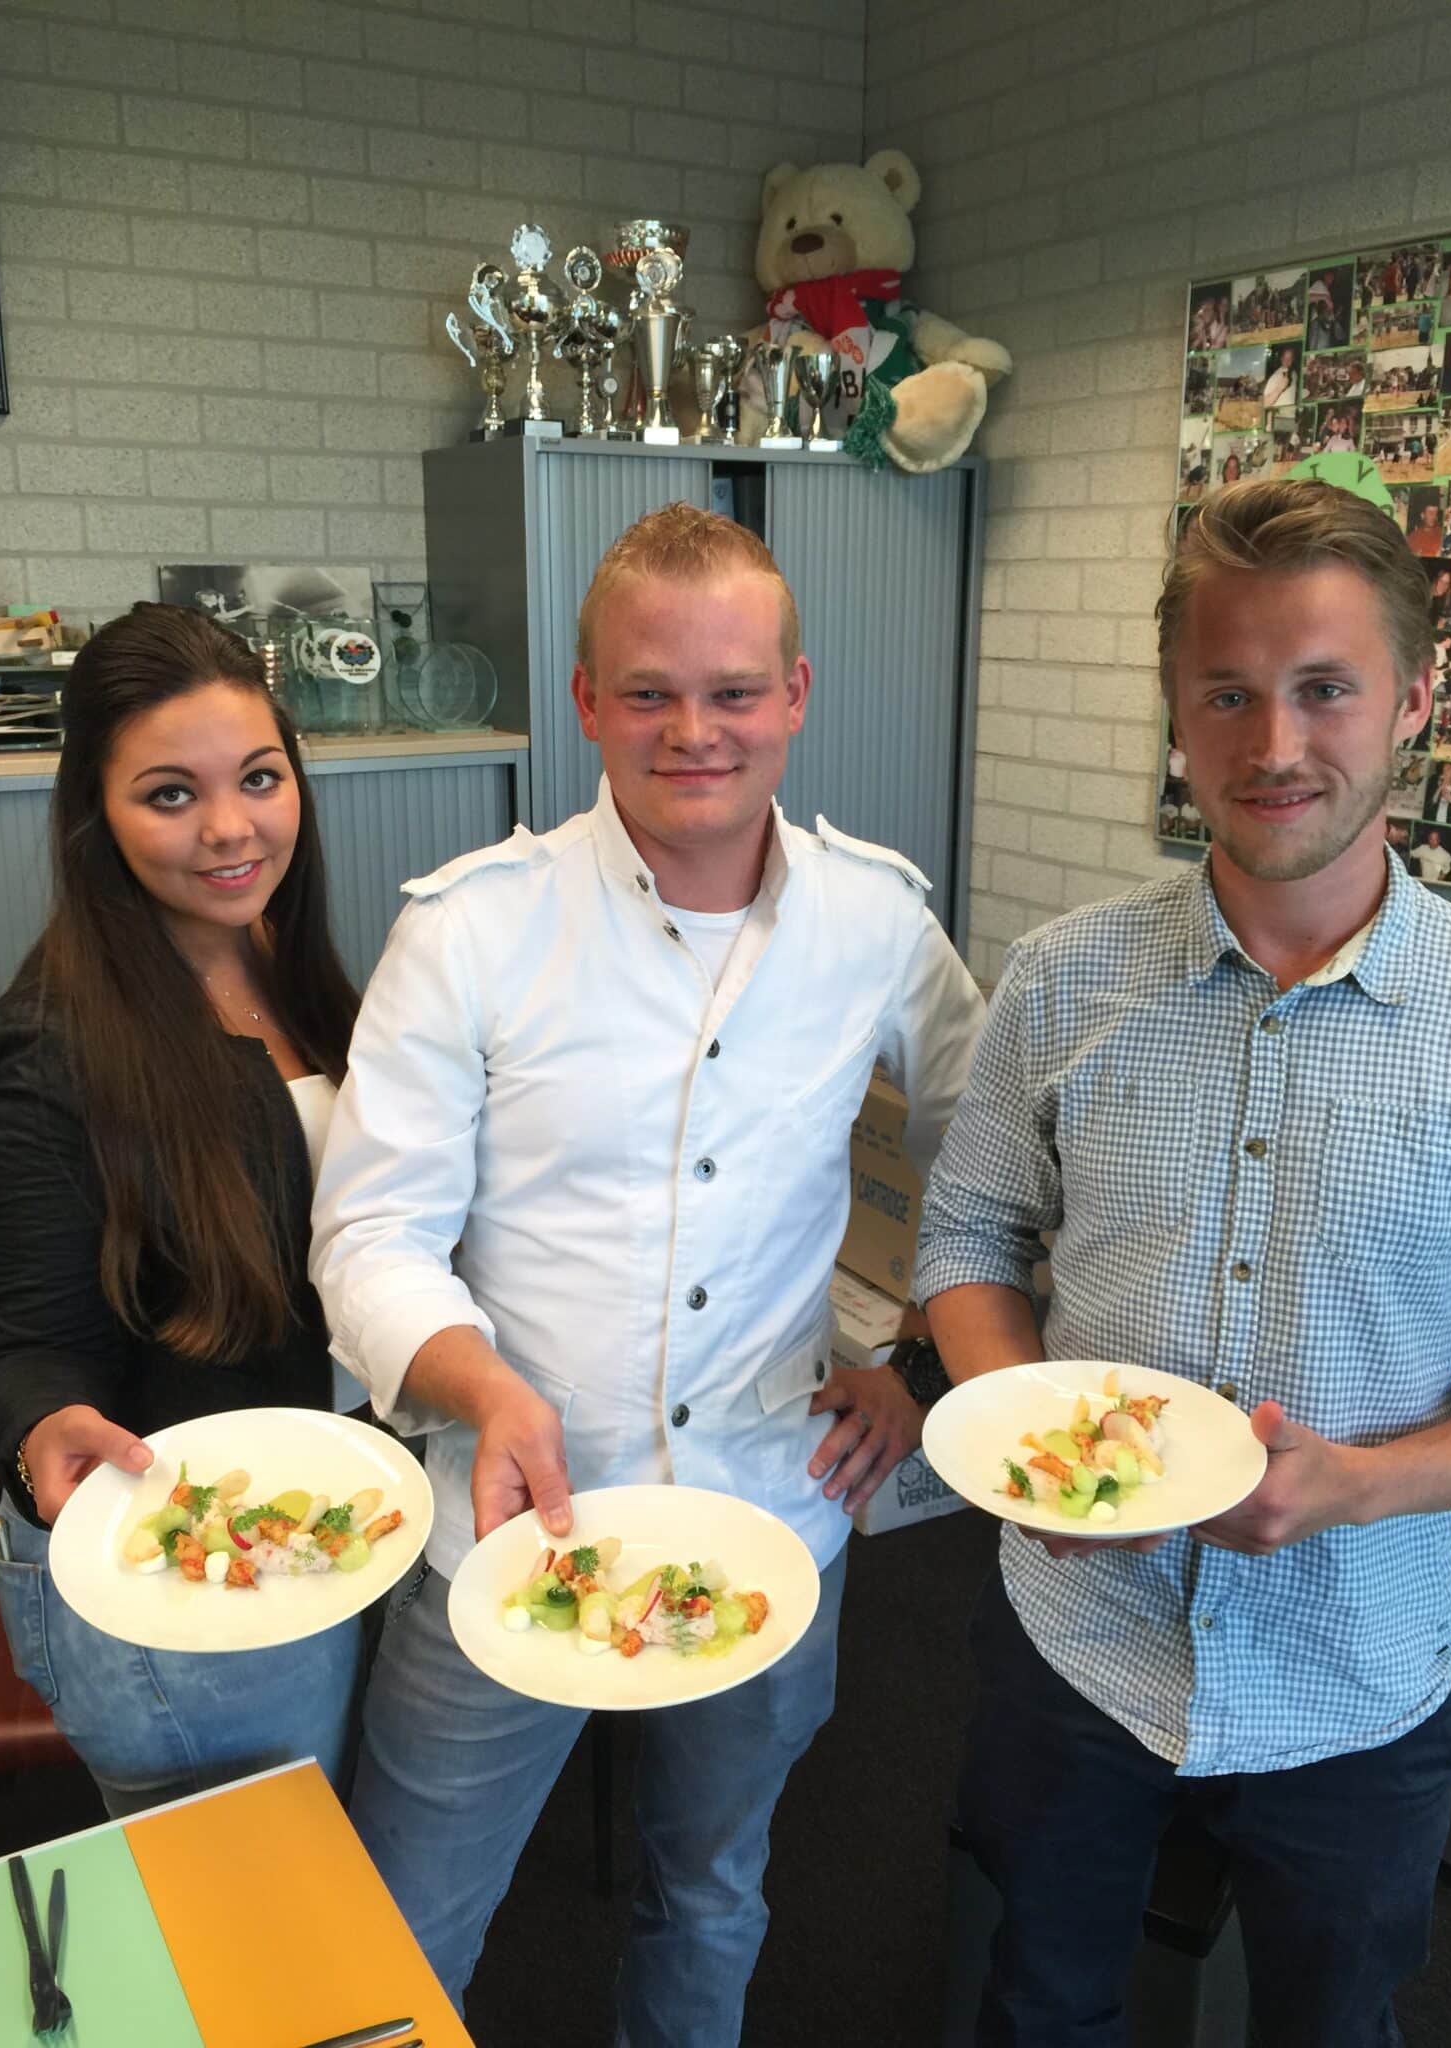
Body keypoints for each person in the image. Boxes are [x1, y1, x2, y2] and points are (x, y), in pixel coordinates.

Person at [309, 504, 986, 2040]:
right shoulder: (475, 929)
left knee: (715, 1890)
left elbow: (991, 1153)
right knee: (398, 1940)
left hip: (772, 1514)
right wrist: (482, 1386)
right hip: (508, 1530)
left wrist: (915, 1360)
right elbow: (369, 1231)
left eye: (734, 691)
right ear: (586, 702)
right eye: (650, 693)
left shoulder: (876, 920)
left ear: (794, 696)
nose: (695, 731)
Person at [918, 477, 1451, 2048]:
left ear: (1417, 700)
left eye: (1325, 688)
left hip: (1356, 1674)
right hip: (1077, 1648)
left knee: (1332, 2027)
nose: (1274, 743)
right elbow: (967, 1238)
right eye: (1226, 693)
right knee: (1041, 2003)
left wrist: (1361, 1484)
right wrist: (1023, 1442)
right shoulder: (1064, 977)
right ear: (1174, 707)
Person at [0, 603, 364, 1818]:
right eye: (171, 794)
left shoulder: (287, 964)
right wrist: (42, 1427)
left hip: (309, 1517)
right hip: (176, 1567)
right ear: (95, 814)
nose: (232, 826)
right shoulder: (47, 1047)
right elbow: (26, 1348)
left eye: (259, 777)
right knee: (253, 1908)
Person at [1422, 758, 1451, 824]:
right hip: (1432, 824)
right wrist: (1439, 788)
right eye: (1444, 770)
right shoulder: (1434, 787)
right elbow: (1427, 807)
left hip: (1448, 826)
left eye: (1448, 769)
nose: (1445, 772)